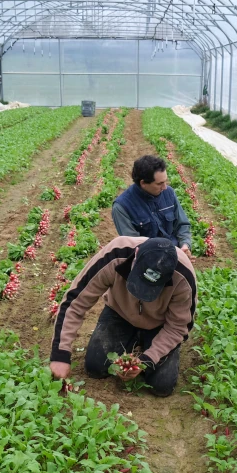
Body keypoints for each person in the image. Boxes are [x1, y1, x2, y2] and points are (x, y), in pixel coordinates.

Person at [49, 236, 196, 397]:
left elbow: (178, 327)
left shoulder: (183, 277)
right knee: (95, 366)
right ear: (136, 254)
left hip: (159, 325)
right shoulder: (114, 255)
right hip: (120, 313)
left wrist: (147, 360)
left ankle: (147, 342)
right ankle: (133, 338)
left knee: (161, 385)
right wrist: (60, 354)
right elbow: (75, 302)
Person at [112, 155, 193, 255]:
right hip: (148, 260)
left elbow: (182, 224)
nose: (165, 187)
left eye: (165, 181)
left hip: (176, 252)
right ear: (143, 183)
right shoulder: (122, 207)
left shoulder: (169, 193)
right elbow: (134, 245)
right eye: (160, 184)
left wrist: (185, 245)